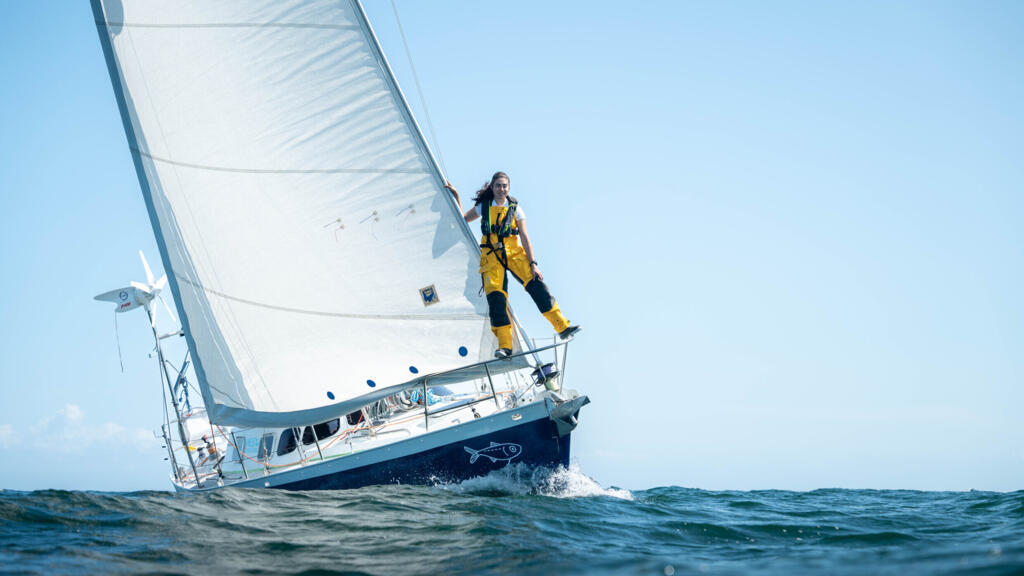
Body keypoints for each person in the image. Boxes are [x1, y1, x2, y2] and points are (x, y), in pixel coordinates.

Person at [446, 172, 580, 358]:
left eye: (505, 186)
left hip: (514, 254)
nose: (502, 189)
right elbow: (462, 219)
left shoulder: (515, 209)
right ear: (492, 187)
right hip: (492, 257)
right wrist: (457, 197)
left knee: (537, 286)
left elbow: (525, 237)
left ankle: (562, 326)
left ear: (508, 188)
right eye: (498, 186)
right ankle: (505, 347)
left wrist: (533, 264)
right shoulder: (483, 207)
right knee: (497, 300)